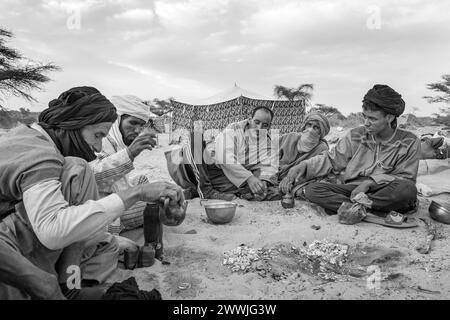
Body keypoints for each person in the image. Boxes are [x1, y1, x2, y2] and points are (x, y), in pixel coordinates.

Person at [0, 86, 183, 300]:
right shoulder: (40, 154)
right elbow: (53, 229)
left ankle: (69, 282)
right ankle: (66, 285)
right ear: (72, 124)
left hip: (42, 226)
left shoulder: (36, 141)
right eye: (97, 135)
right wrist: (137, 191)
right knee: (80, 169)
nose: (97, 146)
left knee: (109, 245)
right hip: (15, 241)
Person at [280, 84, 420, 216]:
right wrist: (303, 166)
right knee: (313, 190)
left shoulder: (409, 141)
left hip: (382, 191)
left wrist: (370, 183)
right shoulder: (356, 135)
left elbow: (406, 178)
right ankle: (368, 210)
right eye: (365, 117)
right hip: (352, 190)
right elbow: (331, 159)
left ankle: (358, 208)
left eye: (372, 118)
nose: (366, 123)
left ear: (389, 117)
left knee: (406, 190)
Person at [89, 95, 157, 236]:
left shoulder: (116, 143)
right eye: (133, 123)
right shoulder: (99, 141)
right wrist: (130, 153)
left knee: (142, 180)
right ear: (117, 121)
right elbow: (92, 179)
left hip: (117, 194)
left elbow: (120, 182)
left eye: (141, 125)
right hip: (101, 204)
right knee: (154, 206)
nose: (138, 130)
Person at [278, 112, 330, 184]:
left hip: (294, 182)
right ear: (304, 126)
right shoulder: (290, 137)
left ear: (321, 132)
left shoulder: (321, 148)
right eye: (309, 125)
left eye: (316, 127)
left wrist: (291, 179)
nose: (310, 129)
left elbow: (316, 171)